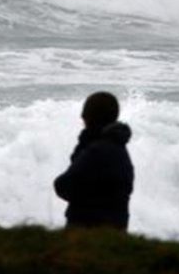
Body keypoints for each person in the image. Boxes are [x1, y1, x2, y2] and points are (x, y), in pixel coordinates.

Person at [53, 92, 134, 230]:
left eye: (85, 114)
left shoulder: (97, 151)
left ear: (91, 118)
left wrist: (84, 142)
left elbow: (63, 185)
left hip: (88, 231)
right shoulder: (119, 148)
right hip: (114, 230)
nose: (81, 118)